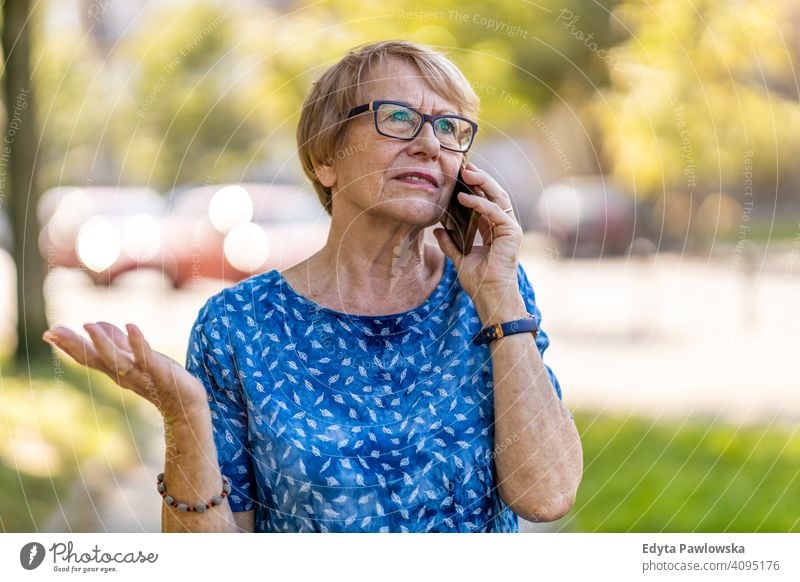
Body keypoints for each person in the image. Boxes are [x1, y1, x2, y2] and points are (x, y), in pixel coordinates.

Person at [42, 39, 582, 533]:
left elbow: (547, 495)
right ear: (326, 159)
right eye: (398, 117)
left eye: (450, 128)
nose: (428, 144)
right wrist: (184, 416)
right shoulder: (239, 325)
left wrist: (499, 298)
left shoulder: (491, 297)